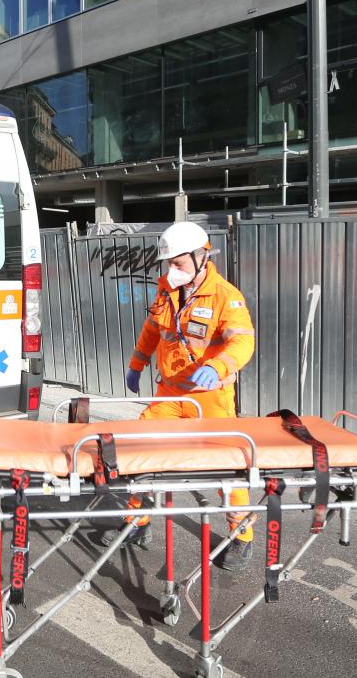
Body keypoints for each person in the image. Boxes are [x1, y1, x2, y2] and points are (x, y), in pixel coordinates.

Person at [107, 221, 258, 570]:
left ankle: (241, 536)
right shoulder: (166, 292)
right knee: (139, 452)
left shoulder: (225, 296)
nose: (171, 270)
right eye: (168, 264)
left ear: (201, 257)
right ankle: (138, 520)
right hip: (170, 394)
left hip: (210, 398)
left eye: (178, 264)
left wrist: (220, 366)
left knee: (229, 468)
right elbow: (153, 329)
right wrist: (137, 362)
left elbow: (243, 340)